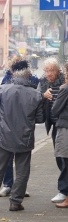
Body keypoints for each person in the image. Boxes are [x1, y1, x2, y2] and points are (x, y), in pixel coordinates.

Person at [0, 59, 45, 211]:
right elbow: (41, 119)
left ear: (14, 75)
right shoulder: (36, 95)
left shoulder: (3, 89)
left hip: (4, 136)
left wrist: (4, 116)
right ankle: (15, 202)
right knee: (23, 170)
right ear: (29, 77)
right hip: (25, 137)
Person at [0, 56, 39, 197]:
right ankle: (9, 185)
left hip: (17, 127)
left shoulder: (32, 80)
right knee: (15, 162)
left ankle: (16, 188)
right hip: (15, 127)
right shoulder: (7, 79)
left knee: (13, 162)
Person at [37, 57, 66, 203]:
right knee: (58, 155)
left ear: (57, 70)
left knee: (63, 157)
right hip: (54, 124)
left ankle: (64, 189)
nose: (49, 73)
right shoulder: (43, 82)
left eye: (51, 70)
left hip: (63, 124)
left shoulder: (63, 81)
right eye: (46, 70)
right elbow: (36, 98)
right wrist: (43, 96)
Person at [51, 63, 68, 208]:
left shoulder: (65, 89)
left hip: (65, 128)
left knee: (65, 162)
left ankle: (66, 196)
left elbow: (55, 109)